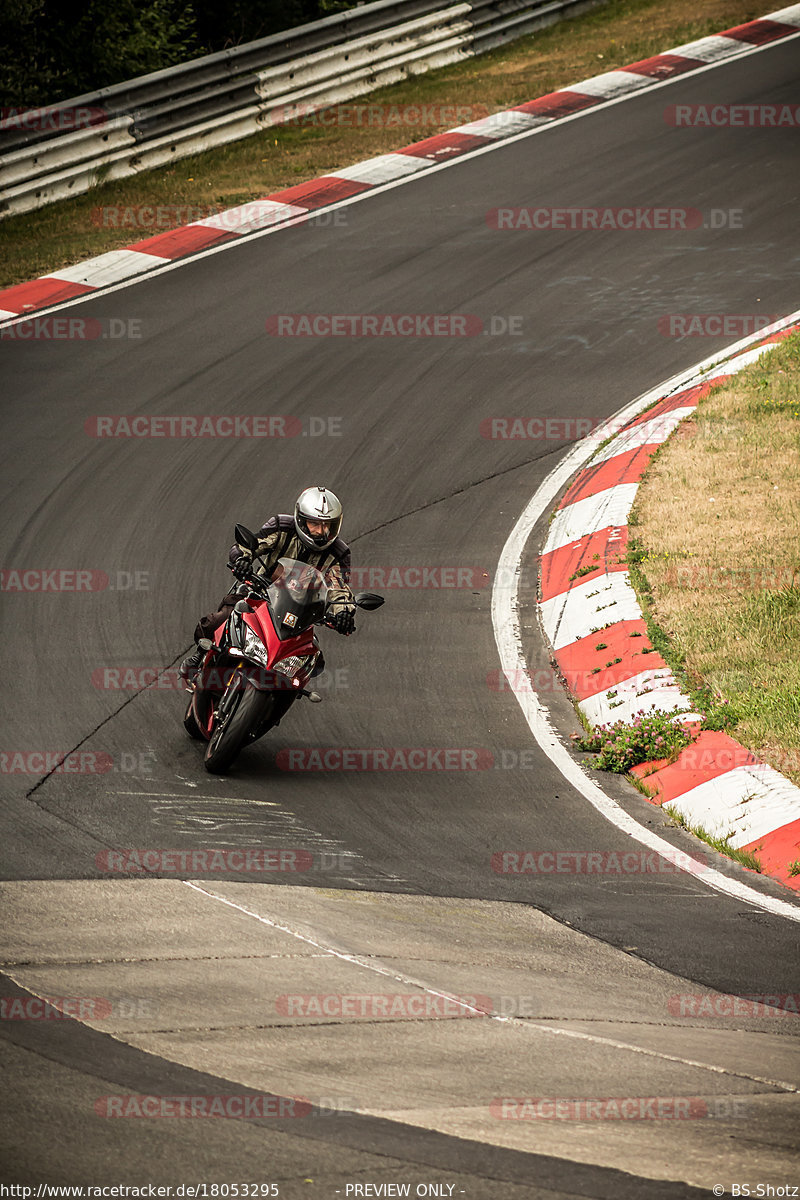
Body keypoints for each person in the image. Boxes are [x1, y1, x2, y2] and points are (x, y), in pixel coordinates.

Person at [180, 486, 357, 681]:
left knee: (315, 663)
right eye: (314, 524)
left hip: (303, 615)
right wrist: (242, 560)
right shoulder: (282, 526)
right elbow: (251, 544)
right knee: (223, 616)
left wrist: (343, 613)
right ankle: (200, 655)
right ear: (301, 520)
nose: (321, 532)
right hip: (262, 592)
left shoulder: (339, 553)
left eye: (327, 526)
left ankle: (280, 696)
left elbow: (339, 588)